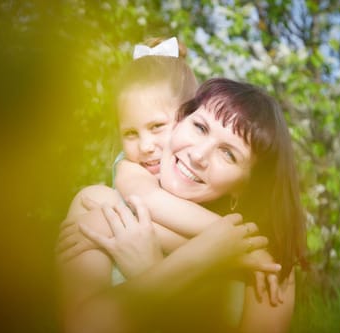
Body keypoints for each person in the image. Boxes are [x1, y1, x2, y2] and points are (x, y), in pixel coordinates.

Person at [59, 78, 307, 333]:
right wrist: (210, 252)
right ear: (179, 121)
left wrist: (151, 267)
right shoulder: (95, 203)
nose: (199, 155)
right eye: (200, 127)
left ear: (245, 188)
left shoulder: (270, 262)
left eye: (228, 154)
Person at [58, 37, 282, 300]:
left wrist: (236, 244)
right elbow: (150, 203)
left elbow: (153, 230)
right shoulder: (130, 170)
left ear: (187, 116)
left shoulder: (206, 191)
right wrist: (237, 247)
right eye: (130, 133)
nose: (145, 146)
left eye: (156, 127)